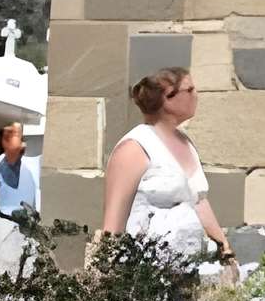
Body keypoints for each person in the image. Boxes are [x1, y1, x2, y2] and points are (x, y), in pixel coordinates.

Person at [100, 69, 237, 270]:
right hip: (145, 270)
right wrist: (108, 271)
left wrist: (224, 247)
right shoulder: (134, 148)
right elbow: (113, 221)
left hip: (190, 268)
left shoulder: (185, 142)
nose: (196, 95)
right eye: (189, 90)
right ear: (168, 98)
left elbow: (198, 200)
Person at [0, 120, 40, 279]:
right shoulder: (3, 162)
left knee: (29, 278)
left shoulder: (27, 163)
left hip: (28, 228)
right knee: (5, 280)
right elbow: (13, 151)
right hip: (10, 227)